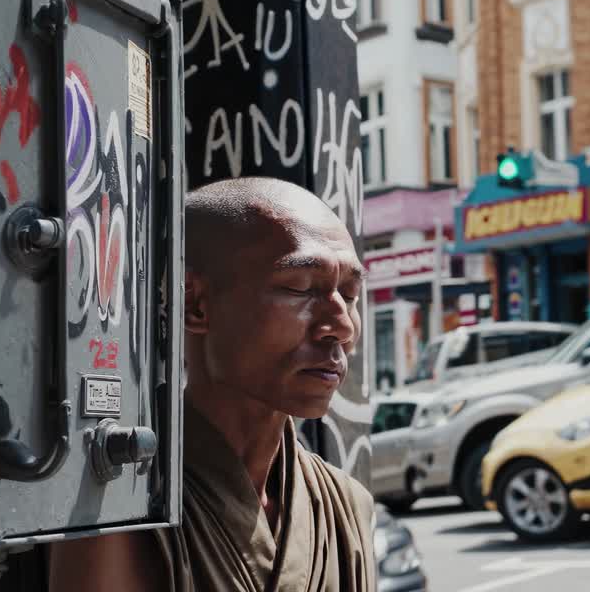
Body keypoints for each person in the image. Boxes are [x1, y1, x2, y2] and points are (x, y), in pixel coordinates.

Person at [48, 177, 376, 592]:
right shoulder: (120, 508)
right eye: (301, 288)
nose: (341, 327)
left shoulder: (346, 504)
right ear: (195, 304)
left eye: (348, 295)